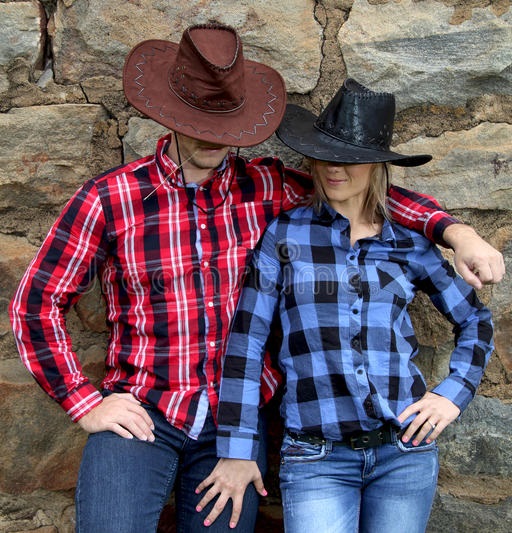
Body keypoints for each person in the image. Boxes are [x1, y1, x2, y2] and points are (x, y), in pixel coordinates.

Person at [8, 21, 501, 533]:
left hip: (236, 423)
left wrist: (454, 231)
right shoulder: (110, 198)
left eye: (224, 124)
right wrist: (84, 402)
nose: (212, 136)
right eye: (198, 122)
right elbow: (35, 303)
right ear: (170, 115)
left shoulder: (266, 185)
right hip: (144, 408)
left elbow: (359, 192)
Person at [196, 79, 495, 532]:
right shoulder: (285, 236)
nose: (334, 169)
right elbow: (246, 344)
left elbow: (474, 318)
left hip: (404, 452)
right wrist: (237, 447)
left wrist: (452, 395)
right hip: (316, 457)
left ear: (376, 164)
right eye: (325, 155)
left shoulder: (408, 243)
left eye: (350, 159)